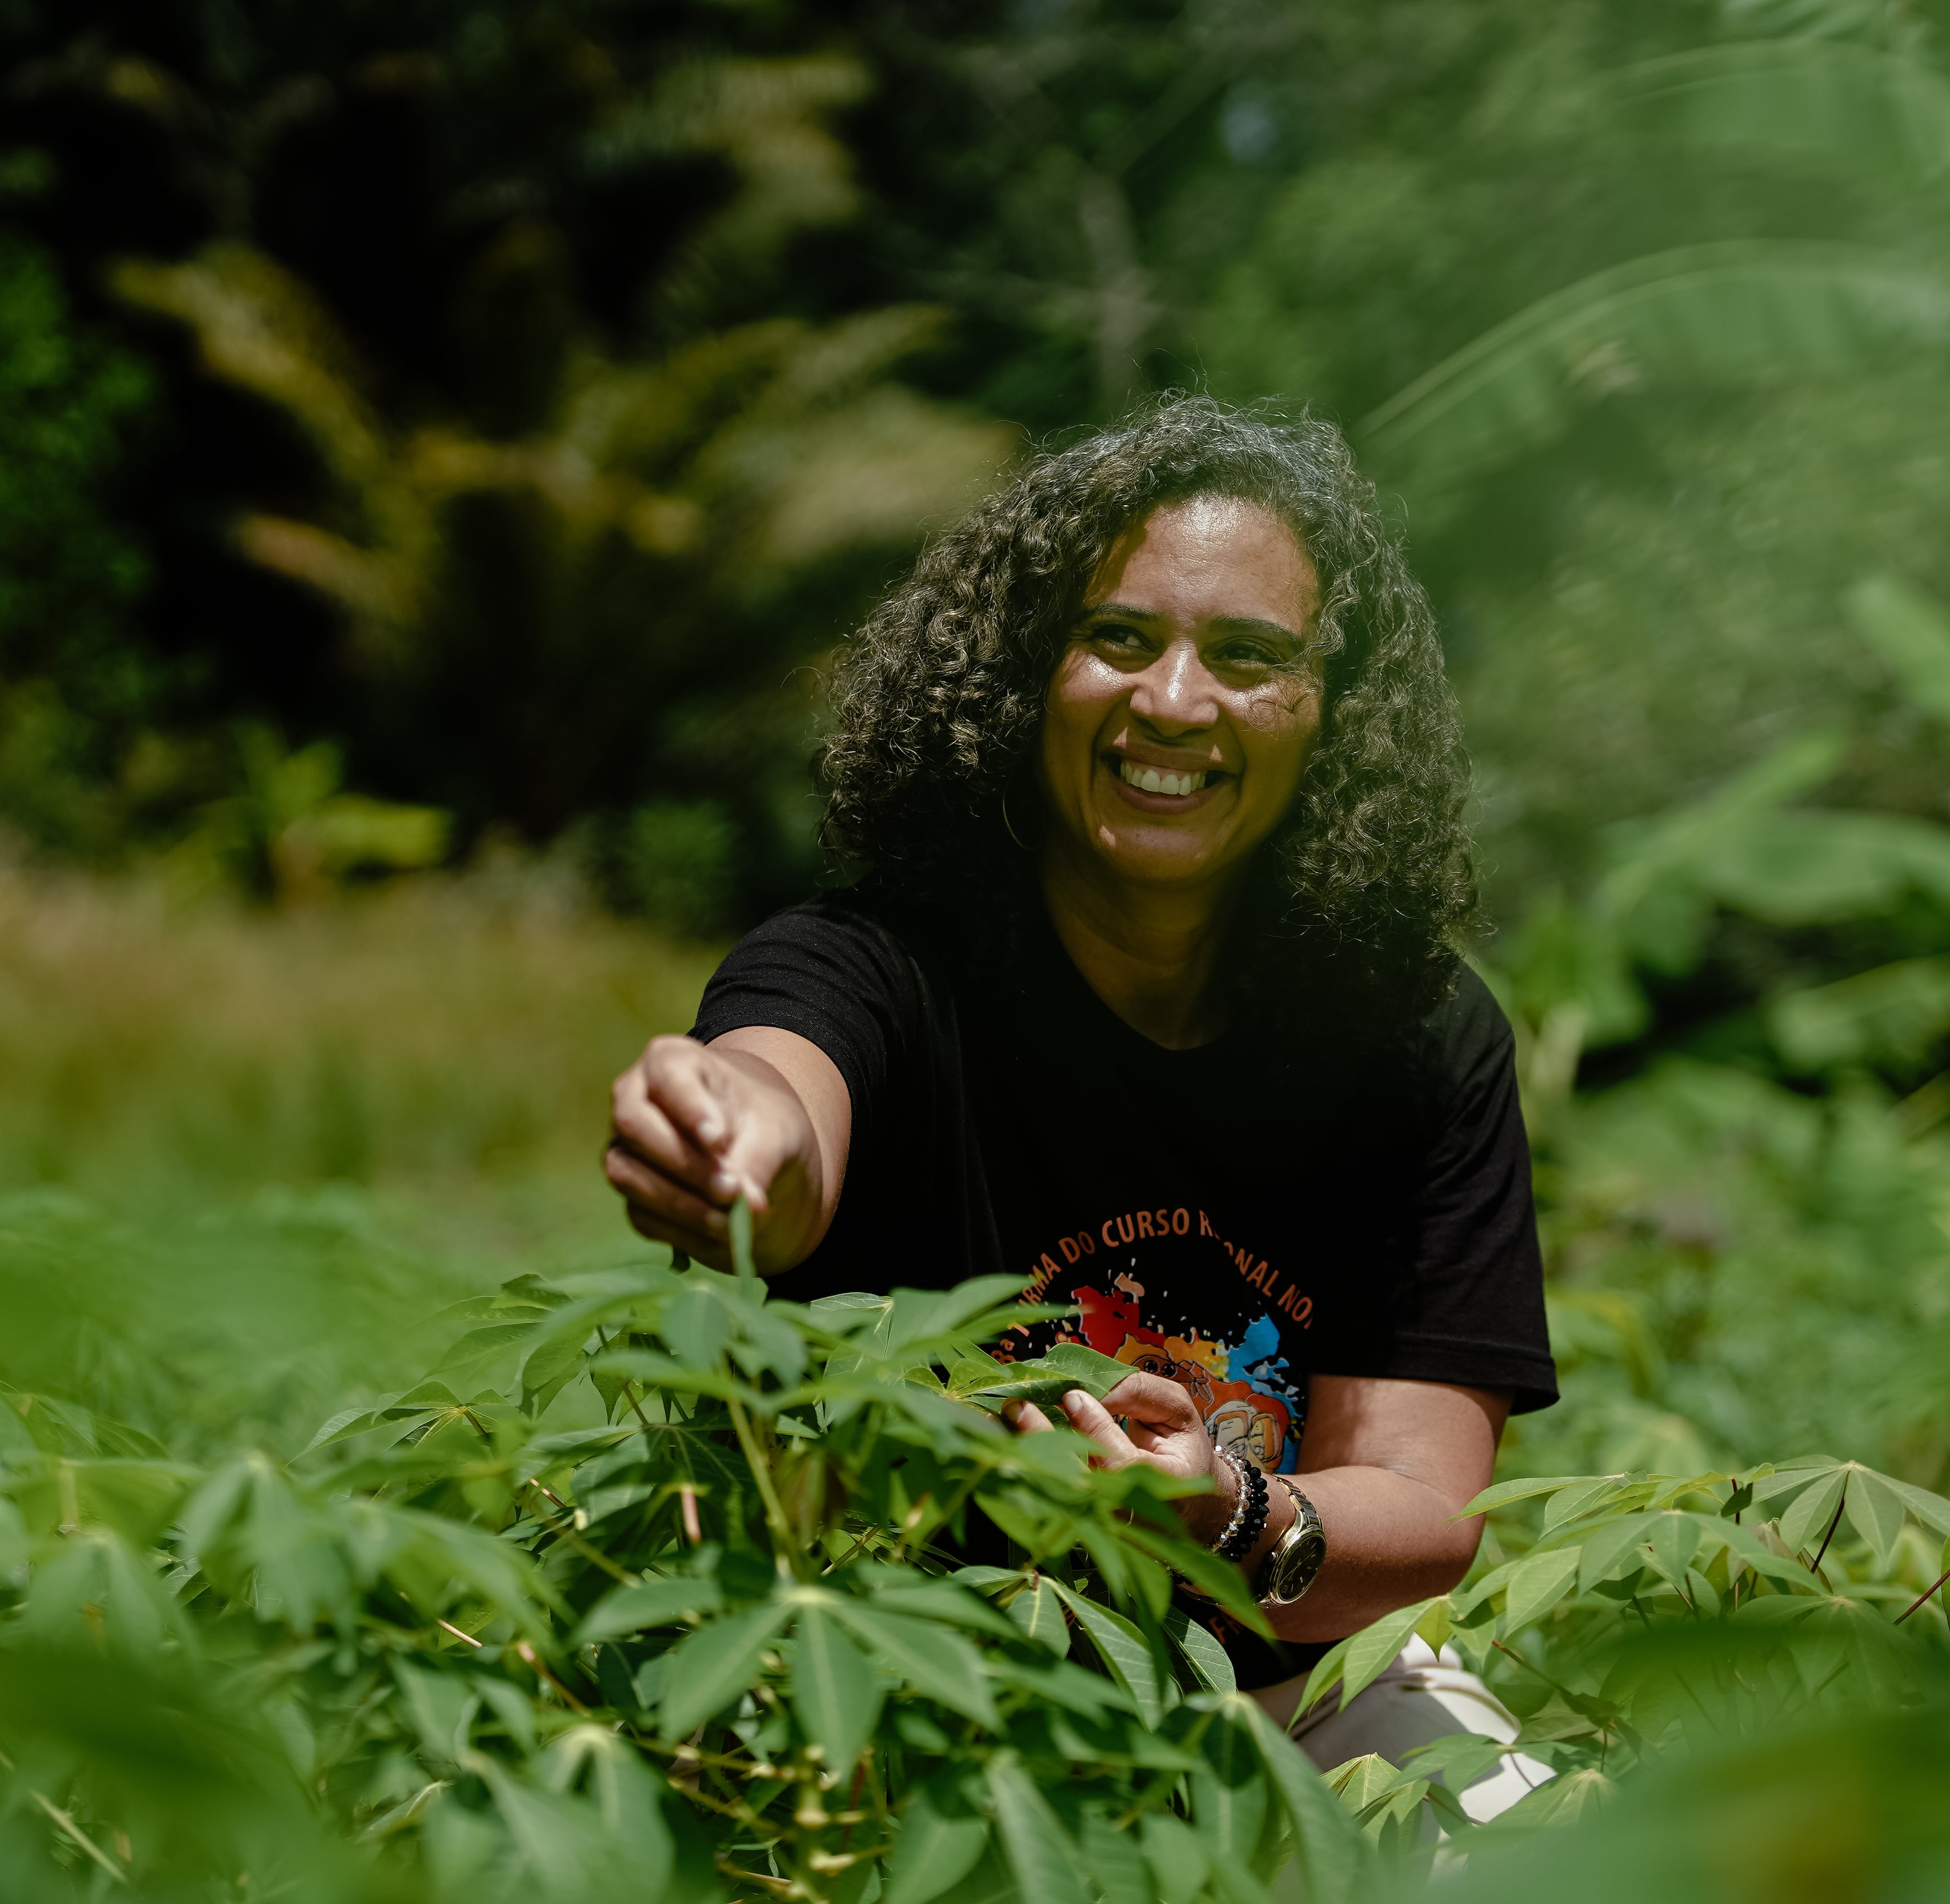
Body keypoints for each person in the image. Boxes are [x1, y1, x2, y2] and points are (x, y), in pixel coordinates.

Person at [602, 394, 1555, 1817]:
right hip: (896, 1683)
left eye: (1246, 656)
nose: (1172, 702)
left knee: (1532, 1836)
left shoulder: (1413, 1034)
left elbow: (1419, 1503)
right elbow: (784, 1102)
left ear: (1327, 710)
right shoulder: (873, 966)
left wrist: (1230, 1518)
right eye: (1118, 636)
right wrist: (733, 1136)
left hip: (1287, 1679)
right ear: (1020, 670)